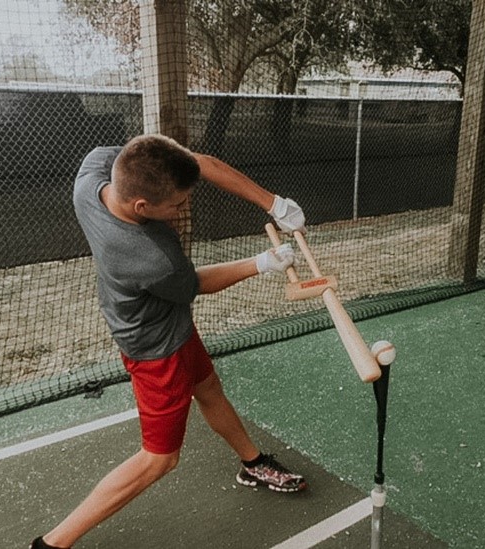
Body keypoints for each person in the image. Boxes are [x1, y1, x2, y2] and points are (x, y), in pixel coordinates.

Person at [30, 134, 307, 549]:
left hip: (171, 326)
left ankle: (253, 463)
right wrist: (262, 263)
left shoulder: (92, 176)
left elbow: (195, 162)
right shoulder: (152, 256)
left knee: (209, 389)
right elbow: (195, 284)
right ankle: (52, 543)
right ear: (142, 207)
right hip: (155, 349)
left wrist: (273, 203)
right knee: (159, 459)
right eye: (177, 205)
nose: (184, 208)